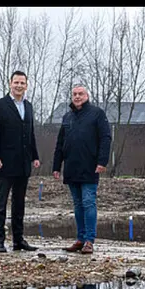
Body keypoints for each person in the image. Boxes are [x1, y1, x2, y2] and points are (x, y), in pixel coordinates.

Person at [52, 85, 112, 255]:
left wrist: (102, 161)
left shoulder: (97, 114)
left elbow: (106, 138)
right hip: (71, 168)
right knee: (78, 205)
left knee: (88, 202)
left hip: (90, 167)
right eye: (75, 94)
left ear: (87, 96)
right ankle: (80, 239)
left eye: (81, 94)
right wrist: (56, 166)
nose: (77, 97)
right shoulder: (67, 117)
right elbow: (60, 144)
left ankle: (89, 241)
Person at [0, 71, 40, 253]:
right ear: (10, 84)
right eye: (16, 82)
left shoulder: (28, 106)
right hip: (4, 163)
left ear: (26, 85)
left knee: (19, 204)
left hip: (23, 163)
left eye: (22, 83)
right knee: (1, 203)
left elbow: (30, 133)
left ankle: (18, 240)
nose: (19, 85)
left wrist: (35, 156)